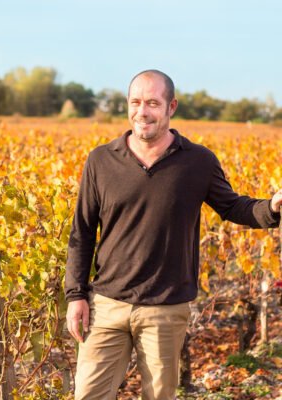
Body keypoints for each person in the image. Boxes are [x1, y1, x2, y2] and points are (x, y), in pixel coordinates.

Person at [64, 69, 282, 400]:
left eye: (153, 102)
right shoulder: (101, 160)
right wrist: (75, 295)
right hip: (107, 304)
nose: (142, 112)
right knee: (88, 395)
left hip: (166, 309)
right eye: (135, 102)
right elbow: (82, 230)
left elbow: (233, 207)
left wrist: (274, 207)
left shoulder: (198, 161)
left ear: (171, 106)